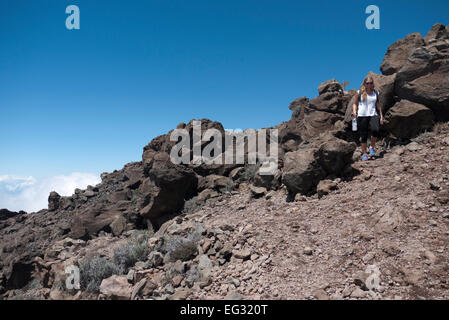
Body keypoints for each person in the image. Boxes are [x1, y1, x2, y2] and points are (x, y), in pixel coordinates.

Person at [352, 76, 384, 161]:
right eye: (367, 83)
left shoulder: (376, 93)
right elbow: (355, 104)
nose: (369, 84)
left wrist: (381, 116)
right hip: (362, 115)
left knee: (375, 130)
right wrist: (354, 112)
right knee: (364, 135)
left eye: (370, 83)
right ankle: (364, 154)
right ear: (364, 84)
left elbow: (378, 105)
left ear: (373, 84)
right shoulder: (359, 92)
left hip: (373, 114)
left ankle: (371, 147)